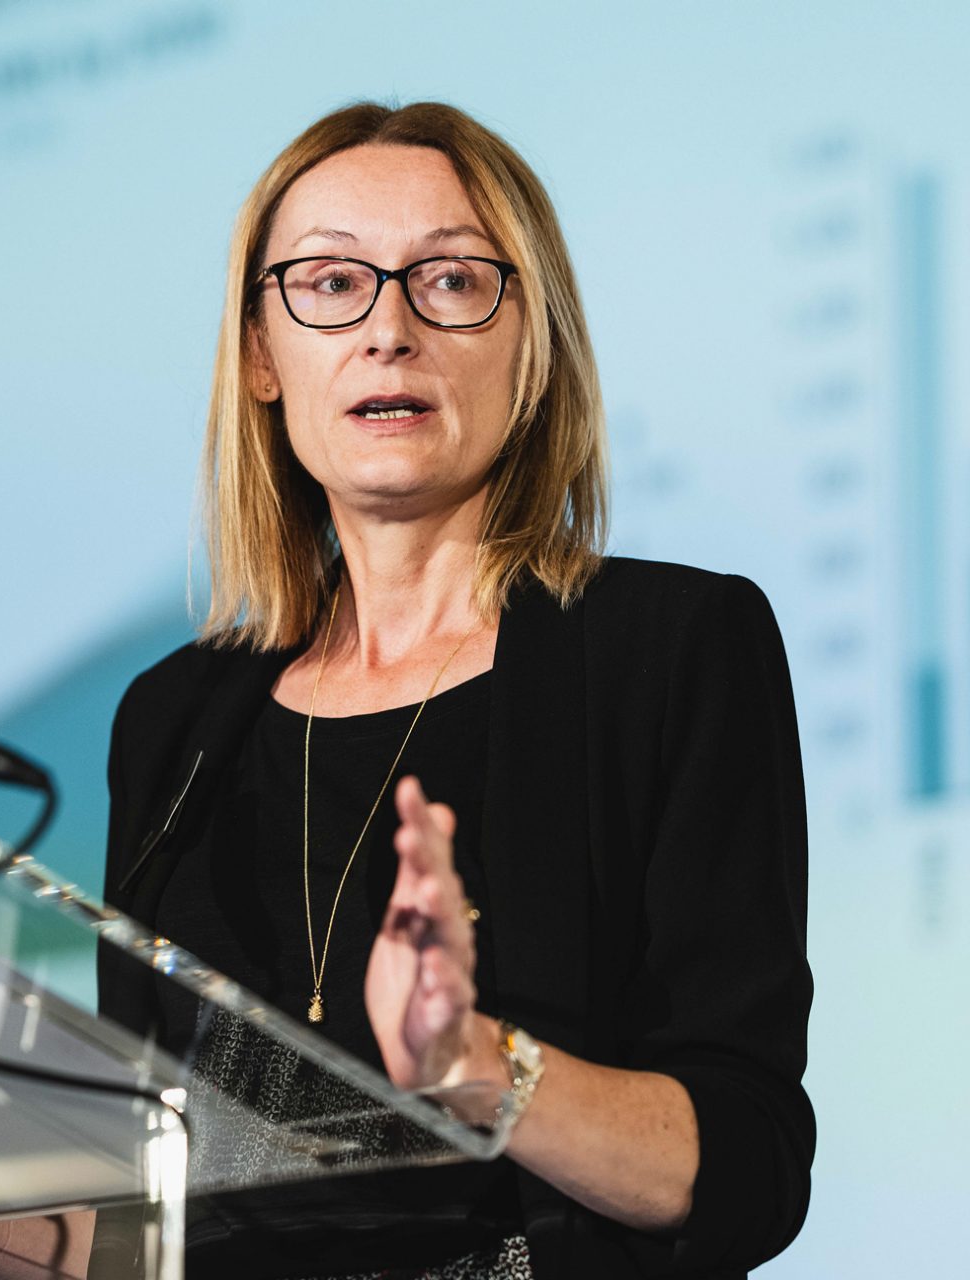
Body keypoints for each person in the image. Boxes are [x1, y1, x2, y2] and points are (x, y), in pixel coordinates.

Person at [80, 100, 812, 1280]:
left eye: (451, 280)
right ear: (260, 354)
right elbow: (145, 1224)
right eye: (330, 282)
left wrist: (475, 1065)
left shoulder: (668, 648)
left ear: (530, 343)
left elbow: (745, 1163)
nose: (387, 330)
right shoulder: (173, 722)